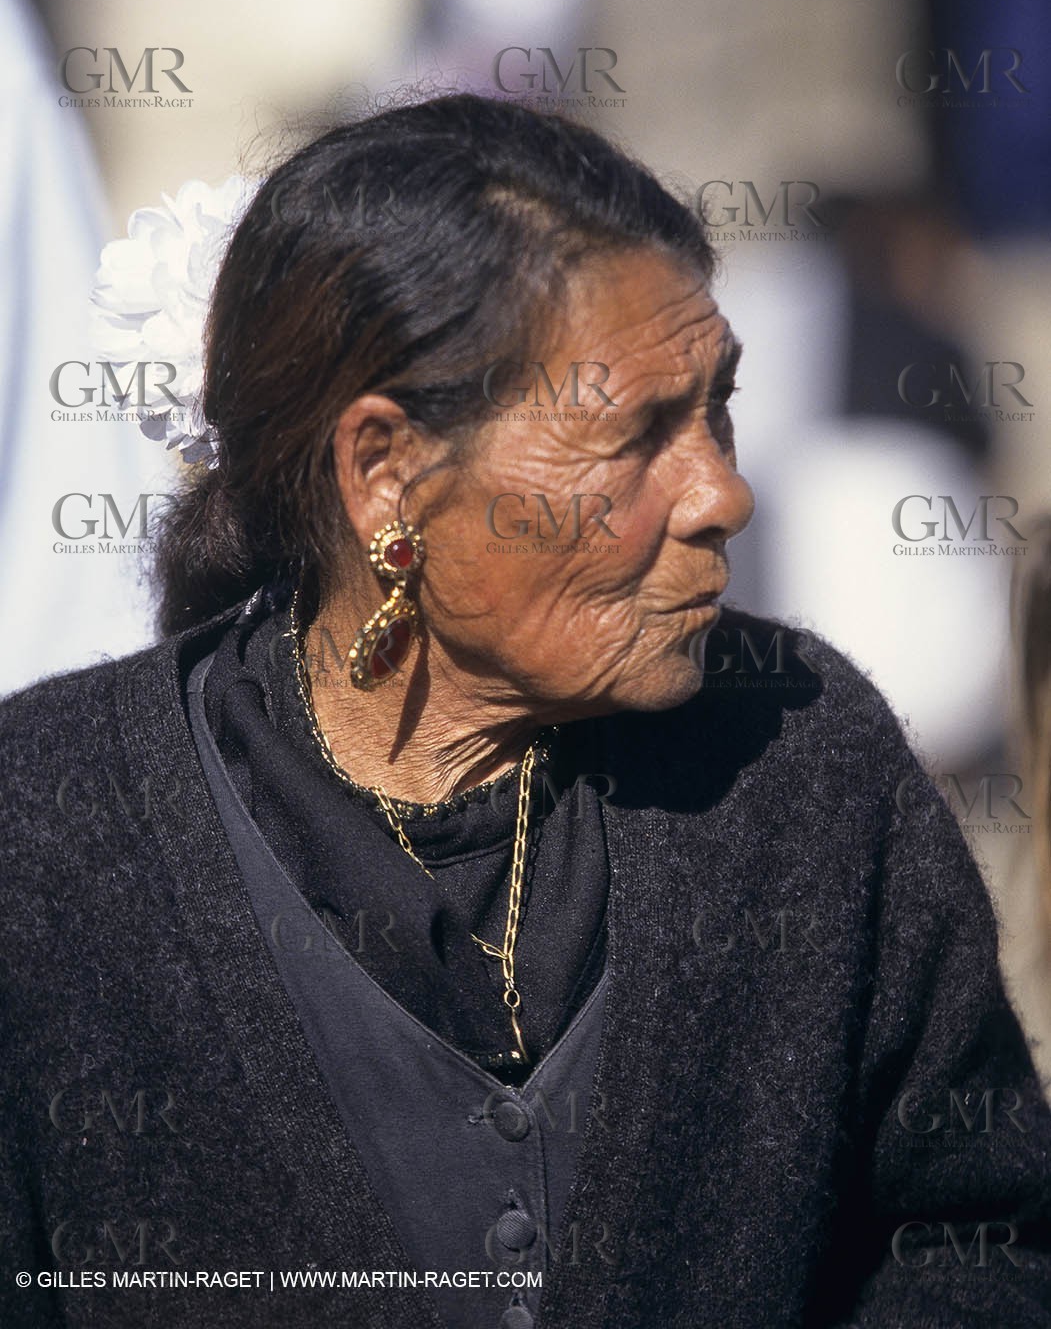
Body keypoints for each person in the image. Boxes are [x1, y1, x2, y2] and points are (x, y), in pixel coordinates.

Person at [2, 95, 1049, 1329]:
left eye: (716, 406)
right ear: (384, 471)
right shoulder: (49, 837)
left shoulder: (802, 759)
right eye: (635, 435)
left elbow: (976, 1233)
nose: (723, 492)